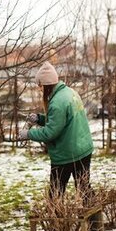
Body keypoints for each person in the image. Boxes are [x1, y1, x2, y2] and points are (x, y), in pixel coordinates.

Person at [18, 61, 94, 200]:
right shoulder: (69, 92)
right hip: (82, 149)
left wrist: (28, 134)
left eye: (40, 85)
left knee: (56, 193)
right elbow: (61, 120)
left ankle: (55, 220)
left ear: (46, 85)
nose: (39, 89)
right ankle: (95, 220)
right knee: (84, 189)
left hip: (67, 153)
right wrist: (40, 119)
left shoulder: (57, 102)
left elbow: (50, 133)